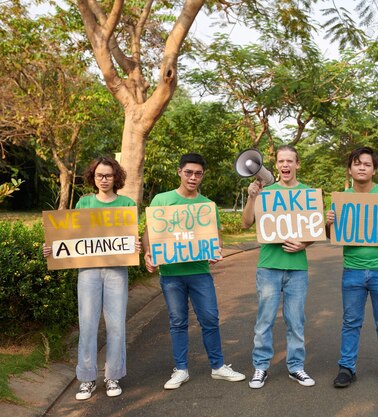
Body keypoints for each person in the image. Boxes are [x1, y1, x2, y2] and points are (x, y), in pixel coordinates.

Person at [143, 153, 245, 390]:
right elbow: (149, 233)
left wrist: (216, 252)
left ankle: (218, 366)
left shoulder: (207, 206)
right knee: (177, 321)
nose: (193, 177)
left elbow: (216, 241)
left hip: (200, 272)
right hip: (170, 274)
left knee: (209, 319)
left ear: (202, 176)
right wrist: (148, 253)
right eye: (188, 172)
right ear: (179, 172)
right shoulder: (162, 200)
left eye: (198, 173)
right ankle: (180, 369)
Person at [43, 156, 140, 400]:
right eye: (99, 175)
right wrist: (53, 249)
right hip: (88, 271)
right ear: (93, 177)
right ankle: (86, 379)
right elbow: (72, 236)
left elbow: (129, 238)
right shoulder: (84, 202)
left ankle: (113, 376)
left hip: (117, 270)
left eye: (108, 175)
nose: (104, 179)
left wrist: (135, 244)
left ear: (116, 177)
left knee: (116, 324)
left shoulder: (127, 203)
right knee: (87, 324)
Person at [326, 146, 378, 389]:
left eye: (367, 164)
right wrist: (329, 223)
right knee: (351, 321)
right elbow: (332, 235)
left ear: (374, 170)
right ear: (350, 168)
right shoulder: (340, 199)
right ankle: (346, 368)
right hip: (352, 269)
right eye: (357, 163)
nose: (361, 167)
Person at [241, 145, 315, 389]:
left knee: (296, 321)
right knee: (265, 320)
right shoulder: (265, 192)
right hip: (269, 266)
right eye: (281, 161)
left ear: (297, 164)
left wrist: (304, 244)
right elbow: (245, 223)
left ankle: (296, 367)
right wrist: (252, 197)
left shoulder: (308, 193)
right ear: (277, 165)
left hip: (297, 268)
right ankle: (260, 367)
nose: (285, 165)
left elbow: (314, 229)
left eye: (290, 161)